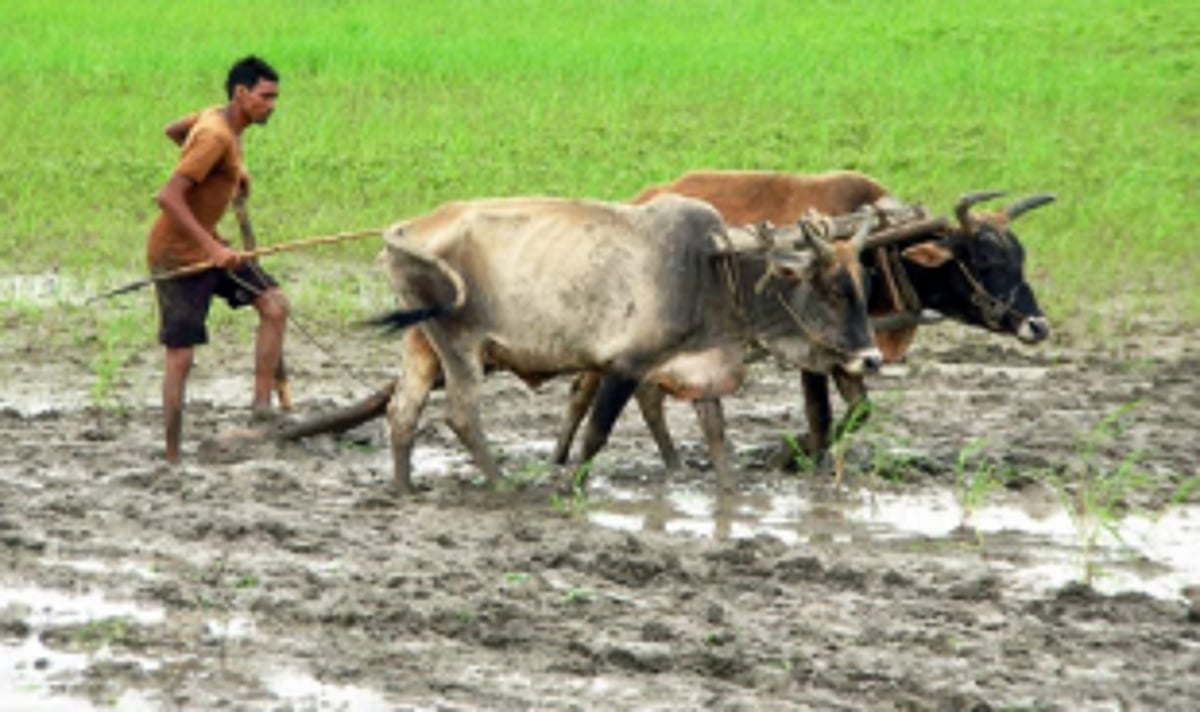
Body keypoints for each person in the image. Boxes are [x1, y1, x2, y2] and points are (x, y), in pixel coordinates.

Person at [147, 55, 288, 464]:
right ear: (241, 94)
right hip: (178, 256)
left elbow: (173, 131)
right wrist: (212, 248)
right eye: (265, 97)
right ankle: (172, 454)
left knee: (274, 305)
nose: (272, 105)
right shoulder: (215, 135)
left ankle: (261, 412)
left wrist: (227, 175)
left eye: (276, 97)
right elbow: (168, 197)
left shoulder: (219, 121)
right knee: (181, 356)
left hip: (211, 247)